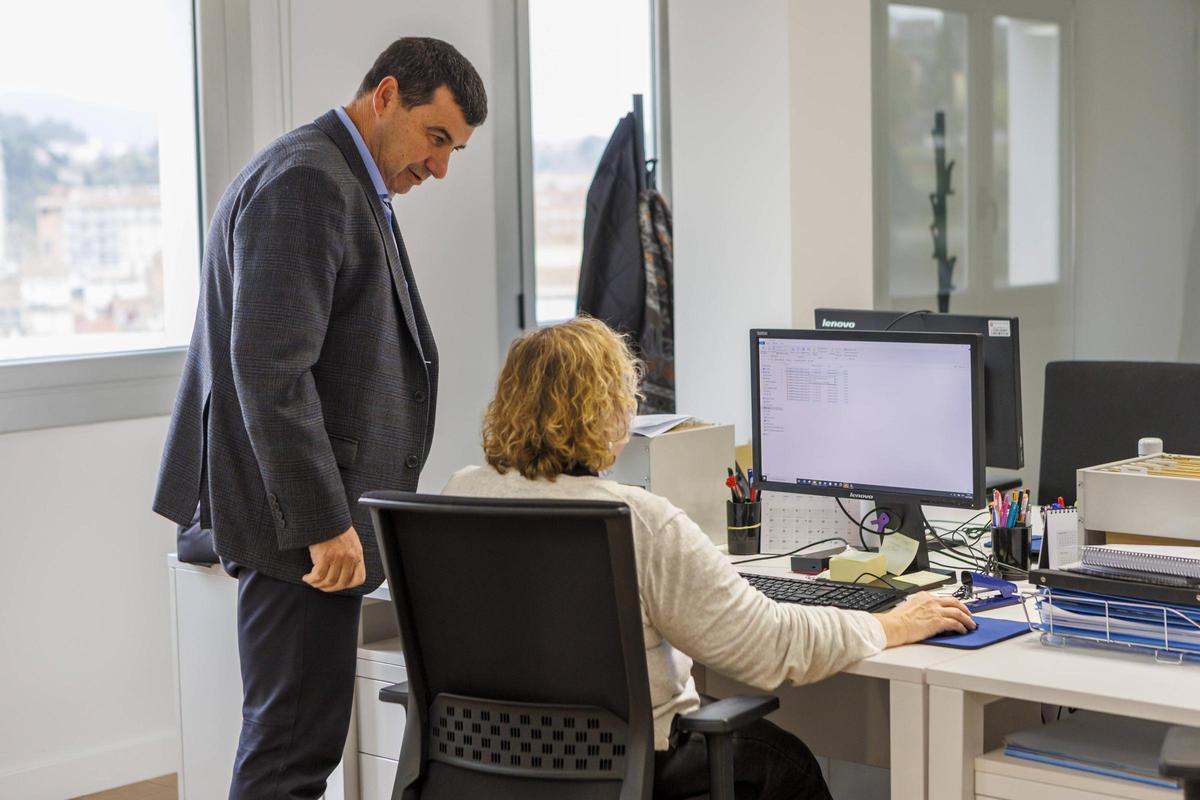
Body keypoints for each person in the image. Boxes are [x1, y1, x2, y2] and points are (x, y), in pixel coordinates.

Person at [444, 316, 975, 800]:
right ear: (608, 410)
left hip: (481, 757)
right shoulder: (639, 519)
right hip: (637, 766)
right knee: (790, 764)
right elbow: (769, 646)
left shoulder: (459, 494)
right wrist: (889, 625)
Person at [152, 38, 487, 799]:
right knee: (291, 751)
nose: (440, 167)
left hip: (308, 520)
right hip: (300, 530)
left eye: (454, 150)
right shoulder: (309, 181)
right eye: (436, 138)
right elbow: (271, 371)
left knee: (300, 741)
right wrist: (324, 523)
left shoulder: (339, 175)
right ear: (386, 96)